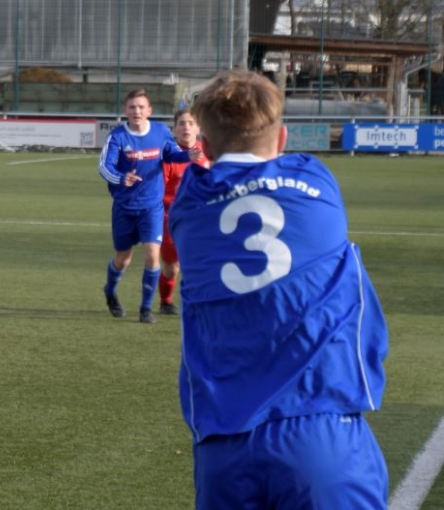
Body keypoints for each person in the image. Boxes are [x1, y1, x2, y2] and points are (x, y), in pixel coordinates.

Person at [170, 70, 388, 508]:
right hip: (321, 427)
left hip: (223, 446)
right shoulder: (316, 180)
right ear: (283, 138)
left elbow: (203, 171)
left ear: (205, 147)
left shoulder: (189, 206)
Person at [98, 89, 200, 324]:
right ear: (125, 111)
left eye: (141, 107)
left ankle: (146, 308)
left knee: (153, 256)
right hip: (124, 208)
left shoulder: (160, 132)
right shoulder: (117, 137)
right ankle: (110, 290)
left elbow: (172, 154)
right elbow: (104, 167)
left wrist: (188, 156)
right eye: (132, 107)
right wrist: (121, 178)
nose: (137, 111)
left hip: (152, 207)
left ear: (149, 111)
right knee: (122, 260)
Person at [157, 110, 209, 315]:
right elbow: (158, 191)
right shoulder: (169, 156)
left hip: (201, 219)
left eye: (191, 123)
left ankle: (199, 303)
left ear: (198, 128)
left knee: (202, 264)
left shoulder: (208, 151)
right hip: (172, 219)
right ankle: (166, 302)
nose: (186, 127)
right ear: (175, 128)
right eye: (181, 123)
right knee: (172, 267)